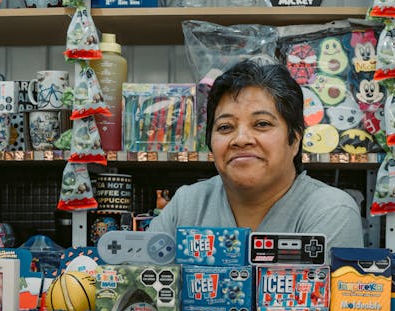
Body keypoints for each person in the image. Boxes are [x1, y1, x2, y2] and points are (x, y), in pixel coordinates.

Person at [148, 60, 364, 252]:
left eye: (262, 124)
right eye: (225, 127)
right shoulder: (187, 205)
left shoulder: (330, 211)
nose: (241, 139)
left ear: (295, 139)